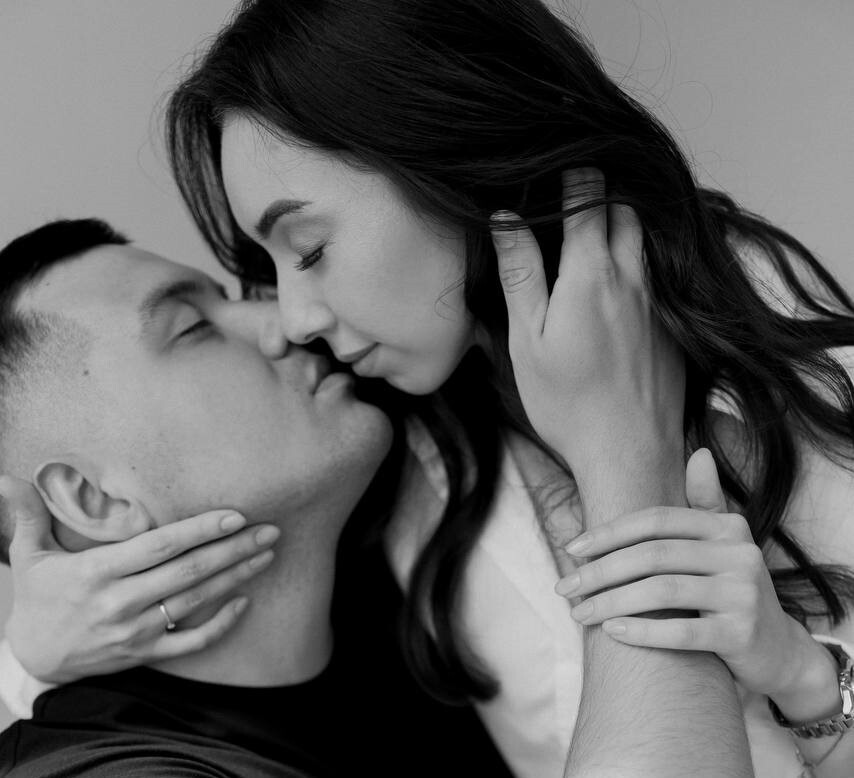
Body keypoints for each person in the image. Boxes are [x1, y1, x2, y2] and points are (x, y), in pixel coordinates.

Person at [4, 0, 854, 775]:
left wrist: (811, 684)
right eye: (268, 267)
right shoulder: (393, 452)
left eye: (309, 249)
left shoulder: (782, 356)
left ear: (445, 159)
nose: (290, 319)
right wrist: (28, 663)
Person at [0, 219, 515, 777]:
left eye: (230, 299)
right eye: (193, 327)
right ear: (94, 499)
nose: (286, 324)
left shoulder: (405, 573)